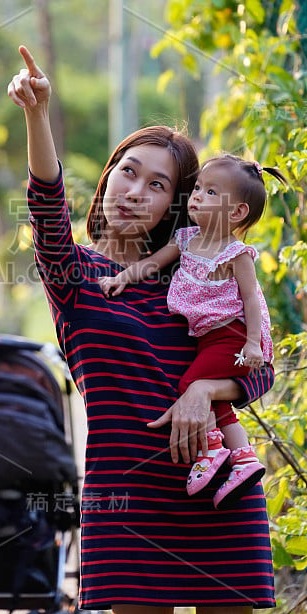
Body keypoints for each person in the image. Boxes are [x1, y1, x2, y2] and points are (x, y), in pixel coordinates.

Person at [8, 45, 275, 614]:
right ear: (108, 176)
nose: (134, 191)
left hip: (218, 492)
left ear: (176, 208)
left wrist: (207, 388)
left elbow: (260, 370)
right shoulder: (74, 277)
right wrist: (37, 115)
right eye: (128, 171)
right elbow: (47, 207)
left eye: (157, 185)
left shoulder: (206, 274)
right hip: (127, 499)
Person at [99, 154, 286, 510]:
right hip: (211, 336)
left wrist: (251, 343)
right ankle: (243, 458)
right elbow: (153, 263)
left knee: (192, 386)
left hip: (233, 335)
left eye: (211, 192)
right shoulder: (187, 239)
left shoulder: (236, 254)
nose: (197, 196)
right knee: (213, 397)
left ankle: (213, 450)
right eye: (197, 188)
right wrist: (121, 278)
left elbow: (251, 298)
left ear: (237, 214)